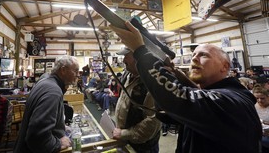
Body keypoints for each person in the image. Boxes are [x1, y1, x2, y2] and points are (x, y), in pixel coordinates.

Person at [110, 21, 262, 153]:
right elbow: (184, 106)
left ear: (225, 66)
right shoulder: (210, 95)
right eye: (194, 55)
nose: (194, 58)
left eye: (204, 55)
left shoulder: (232, 99)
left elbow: (180, 97)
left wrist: (140, 51)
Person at [13, 55, 79, 153]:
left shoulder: (45, 79)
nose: (78, 75)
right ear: (63, 70)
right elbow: (37, 138)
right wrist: (58, 144)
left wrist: (59, 125)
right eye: (75, 71)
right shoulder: (53, 91)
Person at [112, 47, 161, 153]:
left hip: (142, 147)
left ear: (139, 57)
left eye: (126, 56)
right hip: (125, 139)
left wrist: (124, 134)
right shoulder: (128, 74)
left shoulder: (152, 83)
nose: (123, 59)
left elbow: (152, 123)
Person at [252, 85, 269, 153]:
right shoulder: (252, 106)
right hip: (258, 136)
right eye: (256, 98)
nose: (259, 100)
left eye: (262, 98)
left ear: (268, 97)